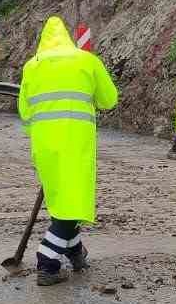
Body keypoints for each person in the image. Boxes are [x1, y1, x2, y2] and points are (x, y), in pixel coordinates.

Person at [17, 16, 119, 286]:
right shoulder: (86, 60)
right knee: (71, 205)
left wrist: (44, 134)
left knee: (62, 201)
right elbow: (109, 100)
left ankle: (76, 253)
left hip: (44, 145)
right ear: (68, 38)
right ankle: (47, 263)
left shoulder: (31, 66)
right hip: (76, 143)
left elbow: (25, 113)